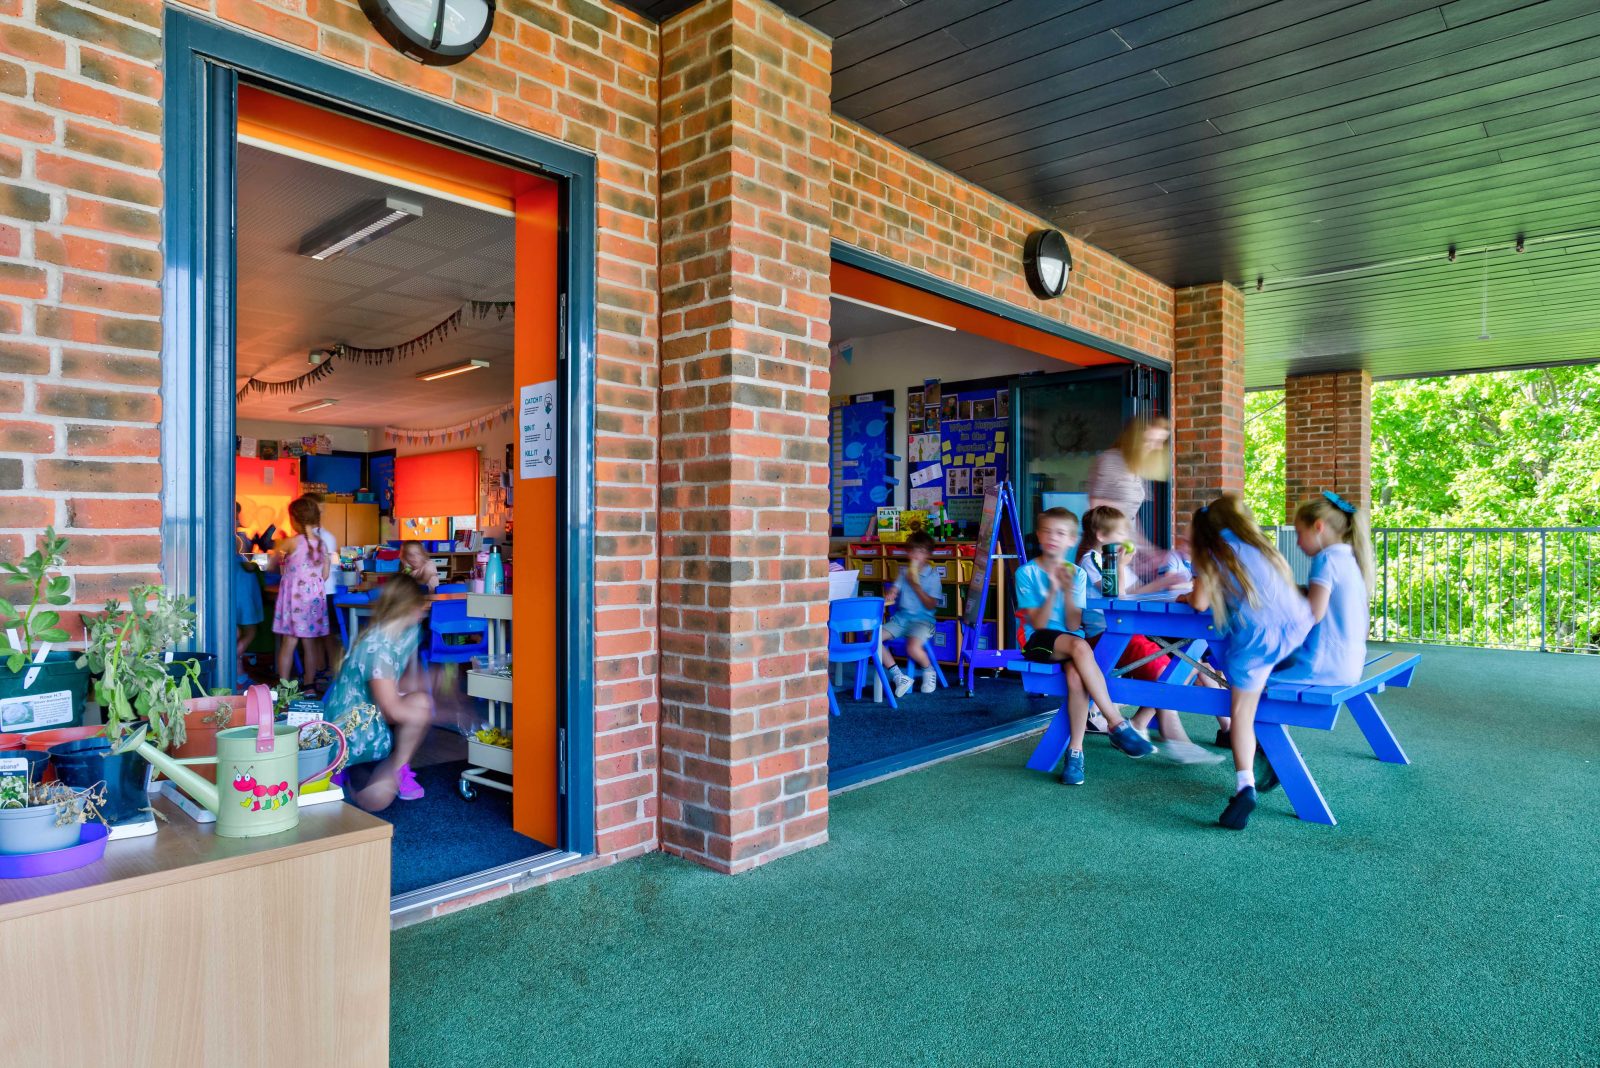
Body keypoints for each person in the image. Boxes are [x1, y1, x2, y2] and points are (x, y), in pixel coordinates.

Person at [1185, 494, 1314, 830]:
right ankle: (1269, 750)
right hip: (1298, 629)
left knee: (1241, 711)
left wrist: (1186, 593)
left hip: (1257, 639)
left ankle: (1245, 786)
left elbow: (1198, 603)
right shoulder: (1260, 546)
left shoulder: (1214, 552)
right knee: (1256, 690)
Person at [1014, 507, 1156, 786]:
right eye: (1048, 531)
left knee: (1076, 678)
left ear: (1071, 539)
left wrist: (1066, 591)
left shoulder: (1077, 574)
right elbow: (1040, 623)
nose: (1053, 537)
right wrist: (1054, 589)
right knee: (1080, 648)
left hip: (1069, 639)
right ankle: (1116, 723)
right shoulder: (1026, 572)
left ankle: (1075, 753)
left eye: (1061, 533)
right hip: (1037, 640)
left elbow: (1073, 620)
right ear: (1039, 536)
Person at [1076, 506, 1221, 766]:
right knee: (1165, 670)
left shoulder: (1115, 560)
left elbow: (1135, 592)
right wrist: (1120, 566)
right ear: (1100, 535)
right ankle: (1173, 736)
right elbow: (1116, 596)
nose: (1126, 537)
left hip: (1127, 632)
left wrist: (1164, 584)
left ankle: (1142, 723)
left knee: (1183, 666)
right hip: (1105, 636)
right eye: (1121, 532)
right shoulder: (1092, 560)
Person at [322, 575, 433, 811]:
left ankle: (387, 771)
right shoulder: (377, 646)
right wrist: (440, 713)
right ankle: (347, 767)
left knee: (421, 702)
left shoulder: (407, 633)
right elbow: (391, 711)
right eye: (421, 605)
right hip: (352, 725)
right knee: (376, 801)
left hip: (371, 712)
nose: (424, 611)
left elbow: (404, 681)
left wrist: (421, 689)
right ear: (410, 607)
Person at [1274, 492, 1374, 688]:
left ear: (1318, 527)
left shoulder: (1326, 559)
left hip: (1323, 667)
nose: (1297, 543)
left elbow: (1313, 614)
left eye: (1299, 533)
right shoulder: (1349, 559)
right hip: (1350, 664)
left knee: (1249, 681)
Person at [1087, 415, 1171, 578]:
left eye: (1161, 442)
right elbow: (1099, 512)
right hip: (1106, 548)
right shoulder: (1111, 461)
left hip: (1121, 546)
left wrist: (1148, 549)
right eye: (1150, 441)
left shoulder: (1135, 467)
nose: (1157, 447)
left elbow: (1129, 517)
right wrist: (1131, 545)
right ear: (1133, 440)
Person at [877, 531, 944, 697]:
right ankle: (899, 676)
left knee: (912, 647)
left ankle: (929, 671)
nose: (916, 555)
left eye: (920, 551)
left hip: (923, 621)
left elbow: (931, 604)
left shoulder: (933, 576)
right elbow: (894, 589)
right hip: (901, 619)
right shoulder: (904, 573)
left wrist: (916, 586)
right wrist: (891, 593)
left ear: (928, 554)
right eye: (913, 551)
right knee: (873, 639)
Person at [272, 495, 329, 692]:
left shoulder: (291, 543)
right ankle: (310, 685)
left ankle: (283, 685)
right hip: (313, 600)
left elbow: (272, 563)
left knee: (289, 642)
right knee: (310, 644)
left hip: (294, 600)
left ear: (294, 519)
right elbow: (325, 574)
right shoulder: (322, 544)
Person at [307, 494, 342, 685]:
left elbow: (324, 570)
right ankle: (321, 669)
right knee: (316, 635)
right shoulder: (306, 536)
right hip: (313, 592)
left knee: (328, 634)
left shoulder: (325, 536)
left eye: (321, 509)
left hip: (325, 591)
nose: (320, 513)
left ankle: (333, 671)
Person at [234, 502, 265, 690]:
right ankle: (233, 664)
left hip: (234, 589)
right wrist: (256, 561)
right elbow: (247, 564)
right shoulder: (237, 537)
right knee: (250, 630)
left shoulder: (227, 535)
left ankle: (238, 673)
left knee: (236, 631)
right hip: (243, 588)